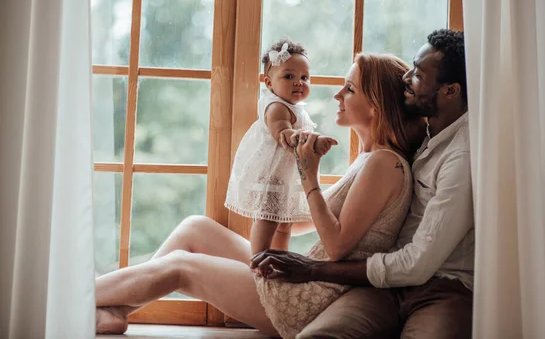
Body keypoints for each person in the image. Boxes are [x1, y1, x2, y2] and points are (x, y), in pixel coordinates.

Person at [95, 52, 426, 337]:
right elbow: (301, 223)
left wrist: (308, 173)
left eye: (350, 89)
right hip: (306, 278)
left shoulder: (384, 163)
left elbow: (338, 245)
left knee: (182, 266)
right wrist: (272, 186)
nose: (338, 94)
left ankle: (73, 298)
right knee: (196, 228)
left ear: (376, 106)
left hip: (313, 299)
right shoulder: (370, 157)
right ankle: (116, 311)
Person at [251, 29, 474, 339]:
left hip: (441, 287)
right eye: (411, 66)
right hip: (385, 285)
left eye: (419, 75)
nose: (407, 78)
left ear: (450, 91)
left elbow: (416, 265)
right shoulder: (421, 138)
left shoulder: (461, 156)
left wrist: (312, 268)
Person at [224, 37, 337, 255]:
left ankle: (278, 258)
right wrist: (313, 141)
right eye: (289, 76)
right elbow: (284, 135)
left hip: (284, 176)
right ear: (269, 83)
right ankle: (258, 258)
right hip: (272, 175)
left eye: (305, 77)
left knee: (284, 223)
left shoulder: (294, 107)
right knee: (267, 219)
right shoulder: (276, 107)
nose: (299, 82)